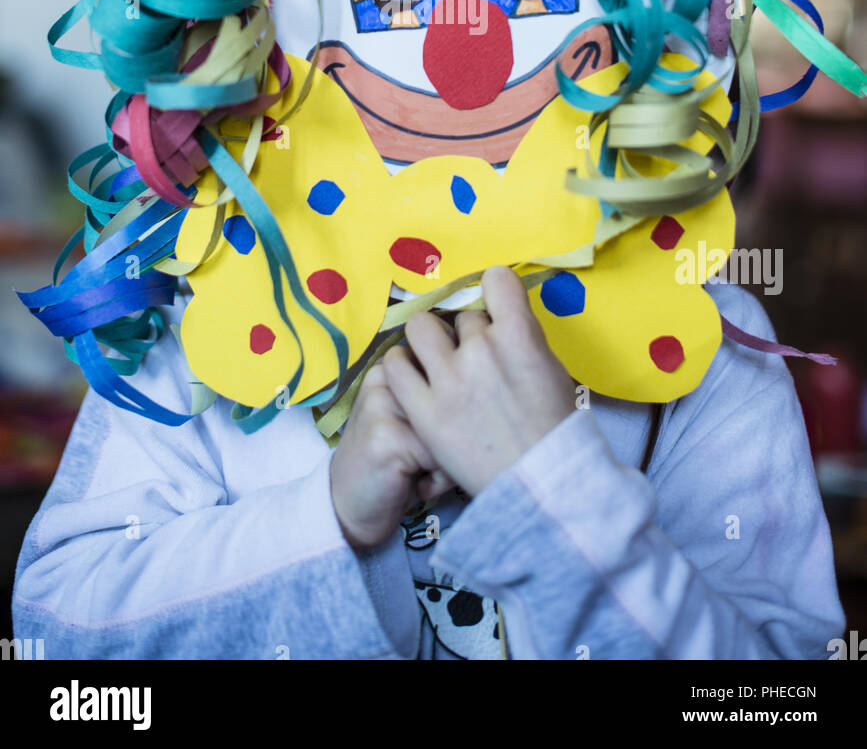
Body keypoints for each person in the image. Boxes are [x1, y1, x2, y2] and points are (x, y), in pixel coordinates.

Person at [12, 266, 843, 660]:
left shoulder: (702, 334)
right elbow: (56, 634)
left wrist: (552, 490)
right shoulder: (199, 323)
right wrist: (328, 514)